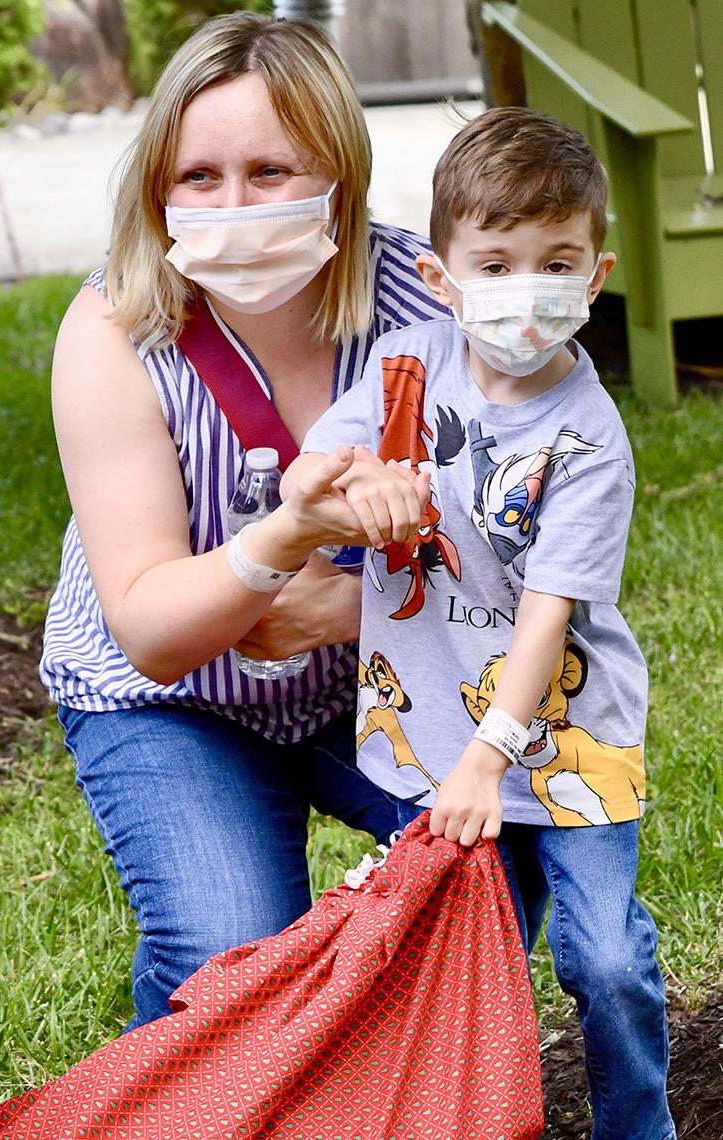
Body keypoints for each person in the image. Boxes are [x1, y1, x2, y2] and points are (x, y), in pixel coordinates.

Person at [39, 11, 444, 1031]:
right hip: (169, 702)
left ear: (338, 176)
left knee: (503, 858)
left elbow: (535, 553)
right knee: (228, 952)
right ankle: (168, 1102)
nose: (233, 205)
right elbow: (151, 628)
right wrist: (277, 548)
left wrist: (346, 612)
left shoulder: (429, 310)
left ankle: (388, 1089)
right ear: (156, 189)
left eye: (271, 172)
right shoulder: (115, 328)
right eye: (198, 177)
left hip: (373, 679)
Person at [285, 107, 675, 1140]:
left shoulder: (586, 438)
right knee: (471, 955)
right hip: (439, 728)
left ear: (594, 275)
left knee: (600, 961)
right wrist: (348, 484)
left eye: (555, 260)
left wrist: (489, 762)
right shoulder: (405, 371)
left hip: (559, 745)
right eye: (494, 262)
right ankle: (474, 1118)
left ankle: (639, 1126)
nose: (524, 288)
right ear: (444, 275)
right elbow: (307, 474)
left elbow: (548, 615)